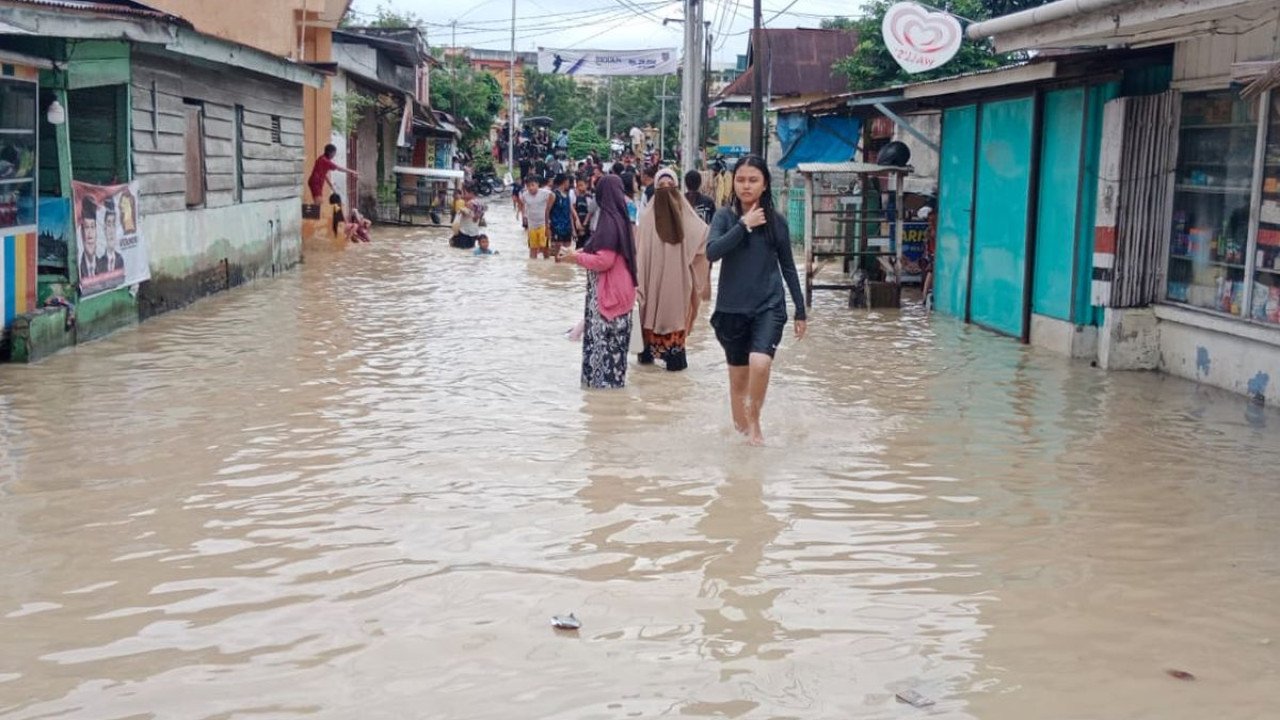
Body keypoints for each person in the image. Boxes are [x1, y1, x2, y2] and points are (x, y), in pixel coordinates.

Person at [706, 155, 807, 446]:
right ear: (733, 182)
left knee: (760, 363)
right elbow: (712, 252)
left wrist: (800, 310)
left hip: (769, 306)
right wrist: (744, 225)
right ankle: (743, 443)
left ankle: (755, 423)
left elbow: (788, 266)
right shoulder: (724, 217)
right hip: (731, 310)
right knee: (738, 383)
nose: (746, 186)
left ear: (765, 185)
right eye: (740, 180)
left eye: (753, 180)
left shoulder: (777, 223)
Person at [558, 174, 637, 390]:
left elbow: (604, 260)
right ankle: (607, 406)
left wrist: (576, 257)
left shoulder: (609, 221)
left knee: (605, 358)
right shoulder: (618, 218)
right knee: (614, 357)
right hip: (619, 294)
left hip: (609, 297)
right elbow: (600, 249)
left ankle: (602, 405)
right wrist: (578, 253)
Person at [635, 168, 710, 372]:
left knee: (675, 363)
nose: (666, 190)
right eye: (661, 187)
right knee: (645, 368)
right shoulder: (648, 217)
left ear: (677, 188)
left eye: (670, 186)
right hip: (651, 283)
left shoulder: (687, 218)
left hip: (677, 283)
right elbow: (639, 253)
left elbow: (703, 238)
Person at [519, 175, 554, 259]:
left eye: (532, 185)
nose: (530, 188)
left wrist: (549, 208)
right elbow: (522, 204)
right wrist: (524, 216)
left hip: (543, 224)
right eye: (528, 186)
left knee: (544, 247)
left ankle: (546, 264)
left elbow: (553, 196)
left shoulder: (545, 192)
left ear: (537, 184)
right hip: (531, 226)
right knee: (532, 248)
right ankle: (532, 268)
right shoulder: (524, 195)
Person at [450, 184, 486, 249]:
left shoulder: (469, 203)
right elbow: (478, 218)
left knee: (460, 252)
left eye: (464, 193)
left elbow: (467, 213)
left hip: (464, 233)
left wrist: (461, 210)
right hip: (474, 233)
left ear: (471, 193)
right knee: (469, 251)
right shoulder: (481, 203)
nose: (462, 195)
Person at [548, 173, 575, 256]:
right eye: (568, 182)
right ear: (564, 182)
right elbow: (547, 211)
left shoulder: (567, 196)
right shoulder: (553, 194)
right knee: (557, 254)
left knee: (567, 254)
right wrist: (547, 227)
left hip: (567, 228)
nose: (569, 184)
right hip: (556, 228)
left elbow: (569, 213)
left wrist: (573, 229)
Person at [78, 195, 103, 279]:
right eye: (86, 227)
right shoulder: (77, 269)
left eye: (92, 227)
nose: (90, 234)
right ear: (81, 232)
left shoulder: (104, 265)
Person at [101, 196, 125, 274]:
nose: (111, 231)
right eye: (108, 224)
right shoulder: (99, 262)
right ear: (104, 229)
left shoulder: (121, 260)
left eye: (113, 224)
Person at [572, 175, 597, 250]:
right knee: (579, 245)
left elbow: (590, 212)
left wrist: (584, 225)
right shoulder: (577, 197)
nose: (579, 187)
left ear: (586, 185)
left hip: (586, 226)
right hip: (578, 224)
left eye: (581, 185)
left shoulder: (589, 196)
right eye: (578, 186)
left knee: (585, 246)